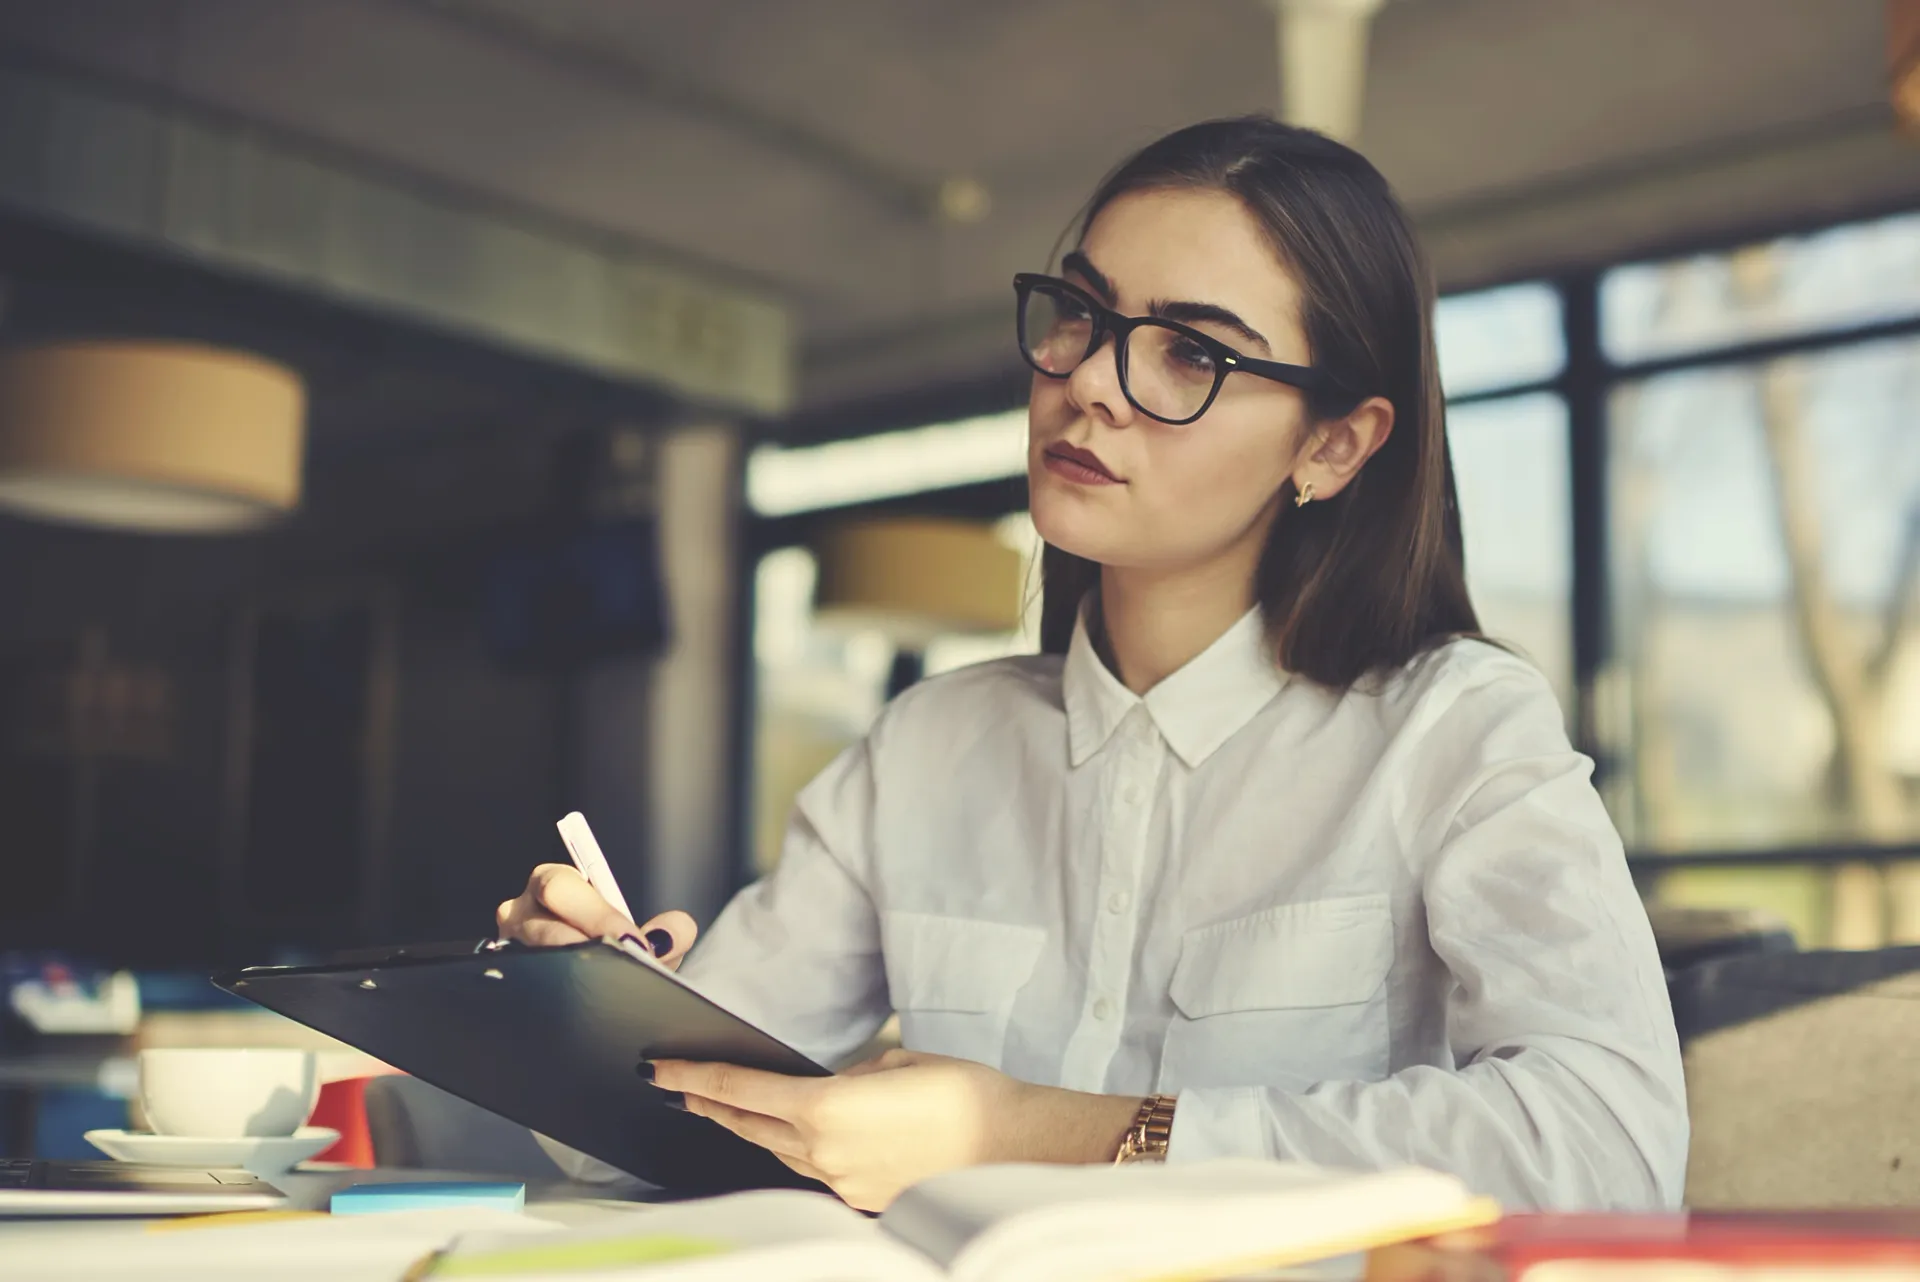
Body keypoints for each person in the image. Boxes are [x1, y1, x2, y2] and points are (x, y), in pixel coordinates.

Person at [497, 116, 1687, 1214]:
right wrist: (583, 1001)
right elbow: (648, 1116)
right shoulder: (928, 750)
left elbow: (1611, 1154)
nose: (1090, 385)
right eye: (1083, 314)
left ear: (1331, 445)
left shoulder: (1453, 730)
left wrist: (1029, 1129)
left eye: (1189, 354)